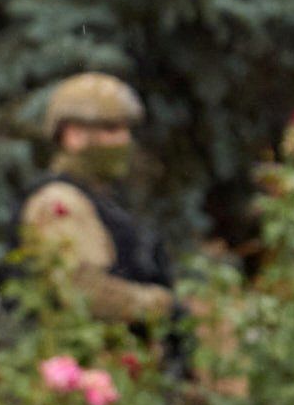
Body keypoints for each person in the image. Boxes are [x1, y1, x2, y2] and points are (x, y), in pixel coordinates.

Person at [19, 72, 180, 321]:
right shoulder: (60, 201)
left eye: (127, 129)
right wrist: (161, 305)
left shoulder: (99, 199)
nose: (124, 140)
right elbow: (82, 291)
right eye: (111, 128)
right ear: (73, 135)